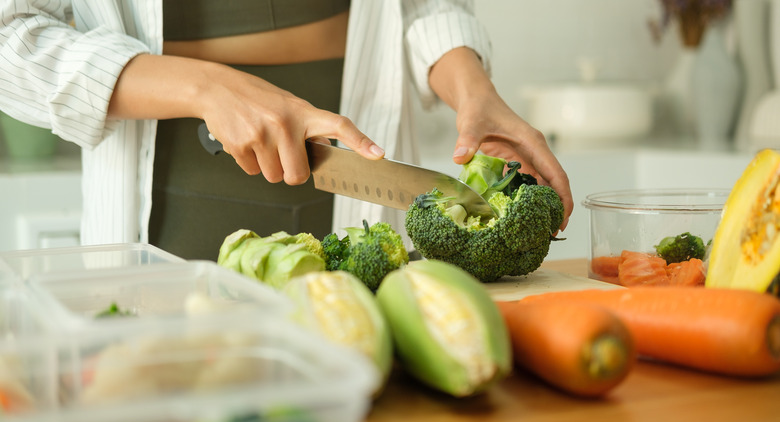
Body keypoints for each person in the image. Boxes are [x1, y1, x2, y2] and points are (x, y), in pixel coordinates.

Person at [0, 0, 572, 261]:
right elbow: (12, 36)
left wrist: (473, 89)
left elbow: (422, 6)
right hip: (165, 205)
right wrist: (206, 88)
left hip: (354, 183)